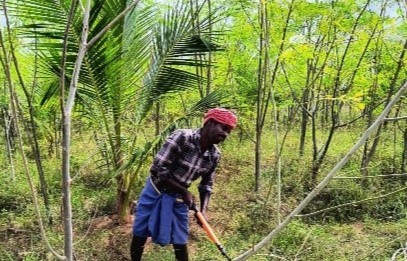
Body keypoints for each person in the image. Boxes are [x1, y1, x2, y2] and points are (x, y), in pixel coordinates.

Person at [130, 108, 237, 261]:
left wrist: (203, 212)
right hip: (155, 191)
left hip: (178, 198)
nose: (225, 134)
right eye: (224, 128)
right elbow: (158, 168)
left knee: (180, 240)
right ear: (211, 123)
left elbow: (206, 185)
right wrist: (184, 191)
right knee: (140, 232)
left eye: (228, 132)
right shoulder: (183, 137)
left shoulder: (214, 155)